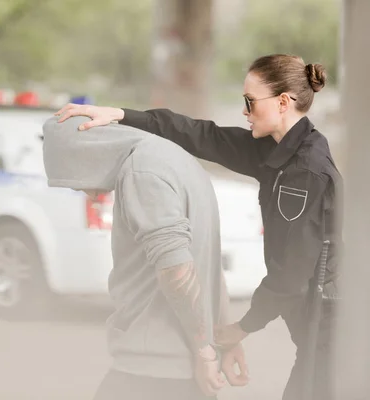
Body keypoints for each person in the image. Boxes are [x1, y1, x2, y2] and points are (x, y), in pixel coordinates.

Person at [55, 54, 343, 400]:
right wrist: (121, 115)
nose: (244, 111)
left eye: (250, 102)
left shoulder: (304, 172)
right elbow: (200, 134)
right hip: (317, 328)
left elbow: (291, 275)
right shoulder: (277, 151)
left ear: (283, 102)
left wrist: (242, 327)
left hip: (331, 331)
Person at [41, 115, 248, 400]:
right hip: (182, 371)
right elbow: (209, 264)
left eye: (76, 180)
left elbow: (177, 270)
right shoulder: (176, 157)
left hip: (153, 372)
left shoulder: (141, 173)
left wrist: (204, 353)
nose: (84, 192)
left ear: (84, 155)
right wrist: (223, 340)